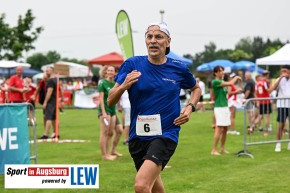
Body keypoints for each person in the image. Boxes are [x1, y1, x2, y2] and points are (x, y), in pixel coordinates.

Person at [107, 22, 201, 193]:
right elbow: (110, 101)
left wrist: (190, 107)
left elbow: (196, 88)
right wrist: (123, 86)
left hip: (166, 133)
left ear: (168, 41)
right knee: (155, 189)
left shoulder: (178, 68)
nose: (153, 41)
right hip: (138, 137)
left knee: (141, 185)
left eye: (158, 37)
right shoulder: (132, 64)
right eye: (149, 36)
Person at [211, 66, 241, 155]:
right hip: (219, 107)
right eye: (220, 71)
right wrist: (236, 77)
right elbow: (231, 83)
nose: (222, 72)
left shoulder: (223, 82)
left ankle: (222, 148)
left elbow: (229, 91)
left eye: (222, 71)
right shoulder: (215, 82)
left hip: (225, 107)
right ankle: (214, 150)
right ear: (215, 73)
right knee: (219, 129)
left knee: (225, 129)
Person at [98, 65, 122, 160]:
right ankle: (105, 155)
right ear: (105, 72)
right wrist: (103, 113)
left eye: (112, 71)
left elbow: (117, 96)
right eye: (109, 70)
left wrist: (119, 106)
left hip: (113, 111)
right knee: (105, 133)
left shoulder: (115, 83)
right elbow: (100, 99)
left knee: (114, 131)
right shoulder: (102, 83)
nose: (111, 72)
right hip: (105, 111)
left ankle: (111, 151)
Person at [267, 65, 290, 152]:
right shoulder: (278, 79)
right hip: (282, 105)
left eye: (285, 71)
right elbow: (272, 89)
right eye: (282, 71)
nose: (283, 73)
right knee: (281, 125)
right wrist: (280, 78)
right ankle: (278, 143)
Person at [39, 67, 58, 139]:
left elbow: (49, 92)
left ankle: (45, 134)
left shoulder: (50, 81)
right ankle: (56, 133)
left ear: (52, 71)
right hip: (54, 101)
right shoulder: (55, 80)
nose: (46, 72)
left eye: (48, 71)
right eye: (46, 71)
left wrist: (45, 102)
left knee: (48, 117)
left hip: (50, 101)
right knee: (54, 118)